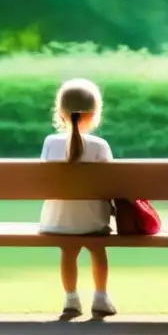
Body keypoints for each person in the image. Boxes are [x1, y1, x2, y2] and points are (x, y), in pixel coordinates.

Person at [38, 78, 117, 321]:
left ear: (60, 113)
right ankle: (101, 297)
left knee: (68, 249)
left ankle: (71, 299)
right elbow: (112, 185)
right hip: (93, 222)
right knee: (97, 247)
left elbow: (43, 183)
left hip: (57, 222)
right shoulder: (100, 146)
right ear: (95, 115)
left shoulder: (51, 143)